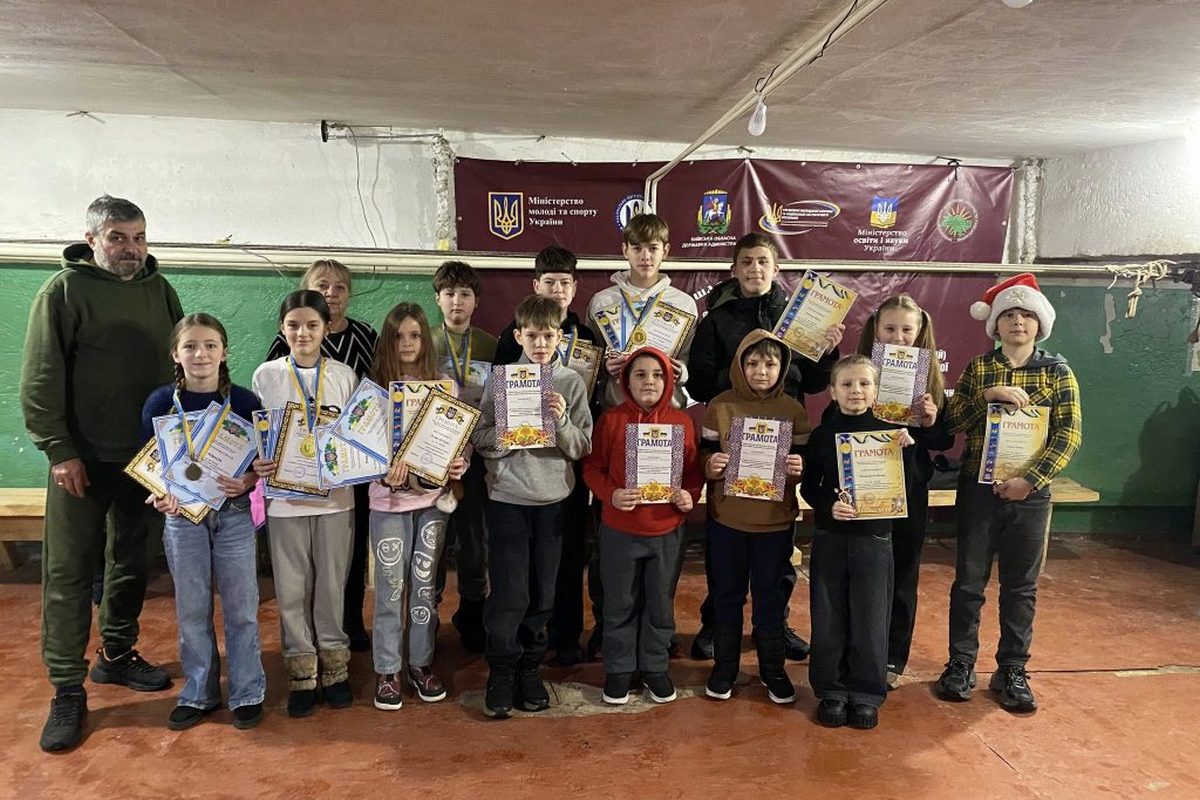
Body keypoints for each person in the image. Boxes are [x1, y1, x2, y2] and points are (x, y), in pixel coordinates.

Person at [21, 194, 182, 753]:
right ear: (92, 240)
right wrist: (59, 451)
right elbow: (40, 378)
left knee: (132, 562)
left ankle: (116, 653)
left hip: (145, 458)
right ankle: (67, 686)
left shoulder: (160, 289)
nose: (131, 248)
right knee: (69, 572)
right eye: (118, 237)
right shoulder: (63, 292)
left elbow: (180, 362)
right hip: (82, 462)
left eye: (139, 237)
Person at [686, 233, 843, 662]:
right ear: (734, 269)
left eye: (762, 262)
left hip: (783, 431)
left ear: (776, 268)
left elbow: (816, 382)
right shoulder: (716, 319)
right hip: (733, 433)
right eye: (747, 262)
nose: (755, 269)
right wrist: (743, 381)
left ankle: (775, 624)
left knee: (778, 539)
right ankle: (717, 623)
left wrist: (828, 351)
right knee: (726, 542)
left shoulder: (799, 315)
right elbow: (698, 383)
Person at [935, 273, 1082, 714]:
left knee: (1020, 586)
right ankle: (961, 662)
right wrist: (986, 396)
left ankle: (1012, 668)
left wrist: (1030, 480)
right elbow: (951, 423)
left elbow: (1068, 435)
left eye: (1026, 315)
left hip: (1030, 495)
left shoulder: (1058, 372)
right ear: (995, 325)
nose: (1018, 322)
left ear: (1040, 324)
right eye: (1009, 315)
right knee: (968, 582)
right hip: (978, 489)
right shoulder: (979, 368)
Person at [141, 314, 266, 731]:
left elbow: (260, 465)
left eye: (210, 345)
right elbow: (149, 463)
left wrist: (247, 481)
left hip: (233, 516)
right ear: (175, 354)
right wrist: (160, 493)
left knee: (242, 609)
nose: (201, 354)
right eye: (190, 346)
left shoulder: (245, 402)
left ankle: (247, 691)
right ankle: (198, 692)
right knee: (192, 608)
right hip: (183, 518)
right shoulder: (160, 403)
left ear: (224, 352)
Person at [472, 295, 593, 718]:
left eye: (548, 336)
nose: (541, 344)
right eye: (533, 336)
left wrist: (560, 421)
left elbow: (582, 447)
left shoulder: (571, 383)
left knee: (543, 591)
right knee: (509, 591)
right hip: (508, 499)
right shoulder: (500, 380)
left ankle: (529, 668)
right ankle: (502, 670)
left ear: (560, 337)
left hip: (553, 502)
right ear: (519, 335)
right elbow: (479, 437)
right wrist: (506, 437)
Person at [252, 290, 359, 718]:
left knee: (331, 587)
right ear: (282, 329)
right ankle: (300, 673)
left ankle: (335, 668)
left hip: (335, 501)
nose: (303, 333)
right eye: (294, 325)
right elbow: (257, 435)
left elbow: (355, 437)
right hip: (285, 502)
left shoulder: (344, 376)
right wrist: (258, 460)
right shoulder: (266, 376)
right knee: (292, 588)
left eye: (312, 325)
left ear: (326, 328)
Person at [494, 246, 600, 666]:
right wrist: (504, 439)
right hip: (516, 476)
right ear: (536, 284)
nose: (557, 289)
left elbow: (585, 417)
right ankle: (513, 652)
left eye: (564, 283)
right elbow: (496, 406)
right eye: (549, 282)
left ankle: (564, 635)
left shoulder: (587, 337)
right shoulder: (511, 337)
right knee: (517, 575)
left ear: (574, 288)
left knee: (565, 559)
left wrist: (564, 422)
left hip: (562, 469)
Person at [266, 260, 378, 652]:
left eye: (339, 287)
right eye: (322, 286)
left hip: (343, 476)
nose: (331, 293)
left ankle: (343, 633)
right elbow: (268, 421)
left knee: (342, 562)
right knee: (296, 574)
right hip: (291, 485)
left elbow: (368, 407)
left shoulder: (359, 347)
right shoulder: (274, 362)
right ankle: (302, 650)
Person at [801, 355, 917, 730]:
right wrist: (828, 505)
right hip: (831, 538)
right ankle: (830, 689)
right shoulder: (821, 436)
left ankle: (867, 692)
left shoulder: (892, 436)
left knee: (871, 615)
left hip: (874, 539)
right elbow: (810, 487)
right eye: (847, 384)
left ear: (876, 390)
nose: (856, 391)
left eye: (864, 384)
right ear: (833, 392)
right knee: (829, 614)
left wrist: (908, 451)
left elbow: (905, 489)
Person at [582, 347, 702, 705]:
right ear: (625, 381)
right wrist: (611, 494)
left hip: (666, 531)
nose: (649, 381)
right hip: (620, 530)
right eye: (640, 374)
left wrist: (689, 495)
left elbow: (692, 473)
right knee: (619, 602)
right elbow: (593, 468)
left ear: (669, 381)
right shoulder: (611, 421)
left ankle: (654, 667)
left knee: (660, 604)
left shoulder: (681, 423)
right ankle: (619, 669)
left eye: (657, 374)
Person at [368, 302, 468, 710]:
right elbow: (360, 450)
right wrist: (382, 471)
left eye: (414, 335)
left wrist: (460, 464)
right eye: (399, 336)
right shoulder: (372, 391)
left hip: (432, 503)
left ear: (425, 340)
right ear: (387, 342)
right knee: (390, 589)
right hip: (388, 503)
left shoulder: (446, 388)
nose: (407, 343)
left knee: (424, 587)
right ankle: (387, 669)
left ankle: (420, 664)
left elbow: (458, 443)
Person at [699, 331, 808, 705]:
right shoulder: (719, 406)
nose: (761, 371)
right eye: (753, 363)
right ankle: (724, 667)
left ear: (782, 368)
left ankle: (772, 669)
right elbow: (703, 454)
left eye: (770, 364)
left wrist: (800, 468)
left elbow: (805, 463)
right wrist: (710, 465)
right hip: (727, 521)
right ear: (739, 365)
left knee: (770, 599)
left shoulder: (793, 410)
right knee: (726, 596)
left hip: (774, 524)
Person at [854, 295, 953, 687]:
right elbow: (836, 424)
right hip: (866, 483)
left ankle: (893, 657)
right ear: (876, 330)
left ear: (920, 332)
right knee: (861, 572)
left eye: (906, 330)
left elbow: (943, 441)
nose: (898, 337)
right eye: (890, 328)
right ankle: (857, 650)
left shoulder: (930, 381)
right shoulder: (858, 374)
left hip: (910, 488)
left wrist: (929, 422)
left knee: (903, 571)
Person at [430, 260, 497, 654]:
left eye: (465, 294)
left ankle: (472, 612)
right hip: (433, 457)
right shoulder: (425, 342)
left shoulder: (491, 345)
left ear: (476, 301)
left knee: (475, 540)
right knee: (434, 540)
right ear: (438, 299)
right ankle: (428, 614)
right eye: (449, 293)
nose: (457, 301)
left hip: (476, 457)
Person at [586, 213, 697, 409]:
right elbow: (590, 361)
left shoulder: (684, 304)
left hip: (667, 411)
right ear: (625, 250)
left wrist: (682, 371)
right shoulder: (601, 302)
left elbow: (691, 359)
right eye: (637, 248)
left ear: (665, 251)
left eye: (653, 248)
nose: (645, 256)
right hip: (616, 409)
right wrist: (604, 366)